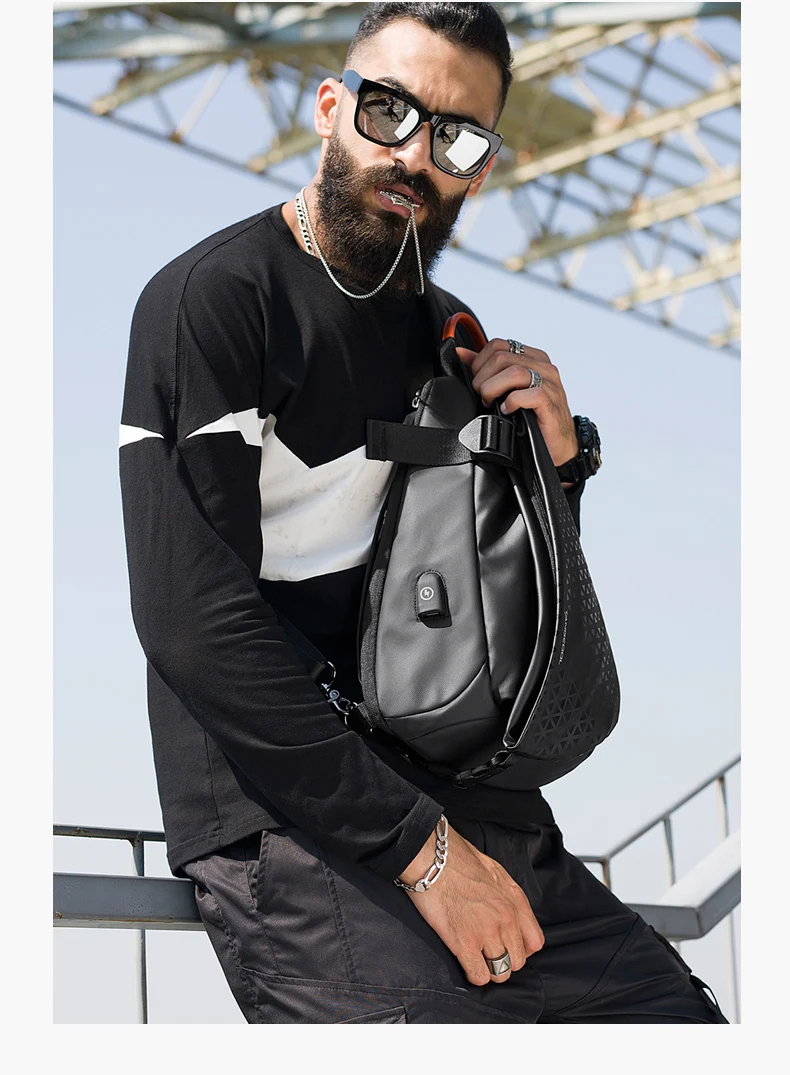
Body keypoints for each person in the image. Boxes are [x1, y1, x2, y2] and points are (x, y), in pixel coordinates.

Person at [119, 2, 728, 1024]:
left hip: (478, 808)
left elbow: (492, 615)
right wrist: (422, 853)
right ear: (330, 107)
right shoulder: (216, 301)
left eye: (456, 137)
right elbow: (190, 618)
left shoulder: (455, 338)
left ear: (478, 171)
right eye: (389, 110)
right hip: (296, 825)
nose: (414, 155)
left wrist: (555, 472)